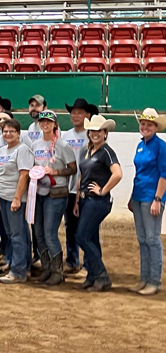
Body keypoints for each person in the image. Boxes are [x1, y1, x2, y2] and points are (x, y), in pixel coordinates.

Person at [74, 115, 122, 292]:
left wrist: (103, 190)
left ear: (105, 133)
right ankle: (93, 276)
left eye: (98, 131)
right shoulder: (88, 151)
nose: (94, 133)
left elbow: (117, 174)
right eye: (92, 130)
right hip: (87, 199)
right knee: (91, 237)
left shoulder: (106, 152)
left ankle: (101, 275)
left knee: (82, 236)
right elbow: (82, 176)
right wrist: (78, 199)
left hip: (98, 200)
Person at [32, 110, 76, 286]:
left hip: (56, 193)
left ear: (55, 124)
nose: (45, 124)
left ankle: (58, 271)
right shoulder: (35, 144)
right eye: (42, 121)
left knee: (50, 233)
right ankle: (47, 268)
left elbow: (72, 168)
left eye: (48, 122)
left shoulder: (63, 146)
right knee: (39, 232)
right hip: (39, 192)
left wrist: (56, 172)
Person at [128, 108, 166, 296]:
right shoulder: (140, 145)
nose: (145, 127)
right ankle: (144, 279)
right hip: (139, 196)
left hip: (152, 197)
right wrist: (131, 197)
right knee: (143, 239)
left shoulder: (161, 146)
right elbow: (139, 174)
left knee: (152, 239)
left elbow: (164, 175)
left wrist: (157, 199)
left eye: (149, 124)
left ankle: (154, 281)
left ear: (155, 127)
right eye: (143, 124)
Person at [0, 119, 34, 284]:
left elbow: (24, 175)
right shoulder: (3, 149)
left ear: (18, 133)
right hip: (4, 198)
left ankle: (18, 271)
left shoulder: (23, 150)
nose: (8, 134)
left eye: (12, 131)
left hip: (14, 198)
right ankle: (22, 265)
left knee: (17, 234)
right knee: (13, 233)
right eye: (5, 131)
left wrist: (17, 198)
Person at [62, 98, 99, 274]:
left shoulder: (93, 135)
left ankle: (89, 263)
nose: (75, 115)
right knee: (71, 226)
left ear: (88, 115)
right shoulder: (65, 136)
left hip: (86, 188)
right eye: (73, 112)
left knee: (88, 227)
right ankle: (72, 260)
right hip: (69, 187)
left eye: (79, 112)